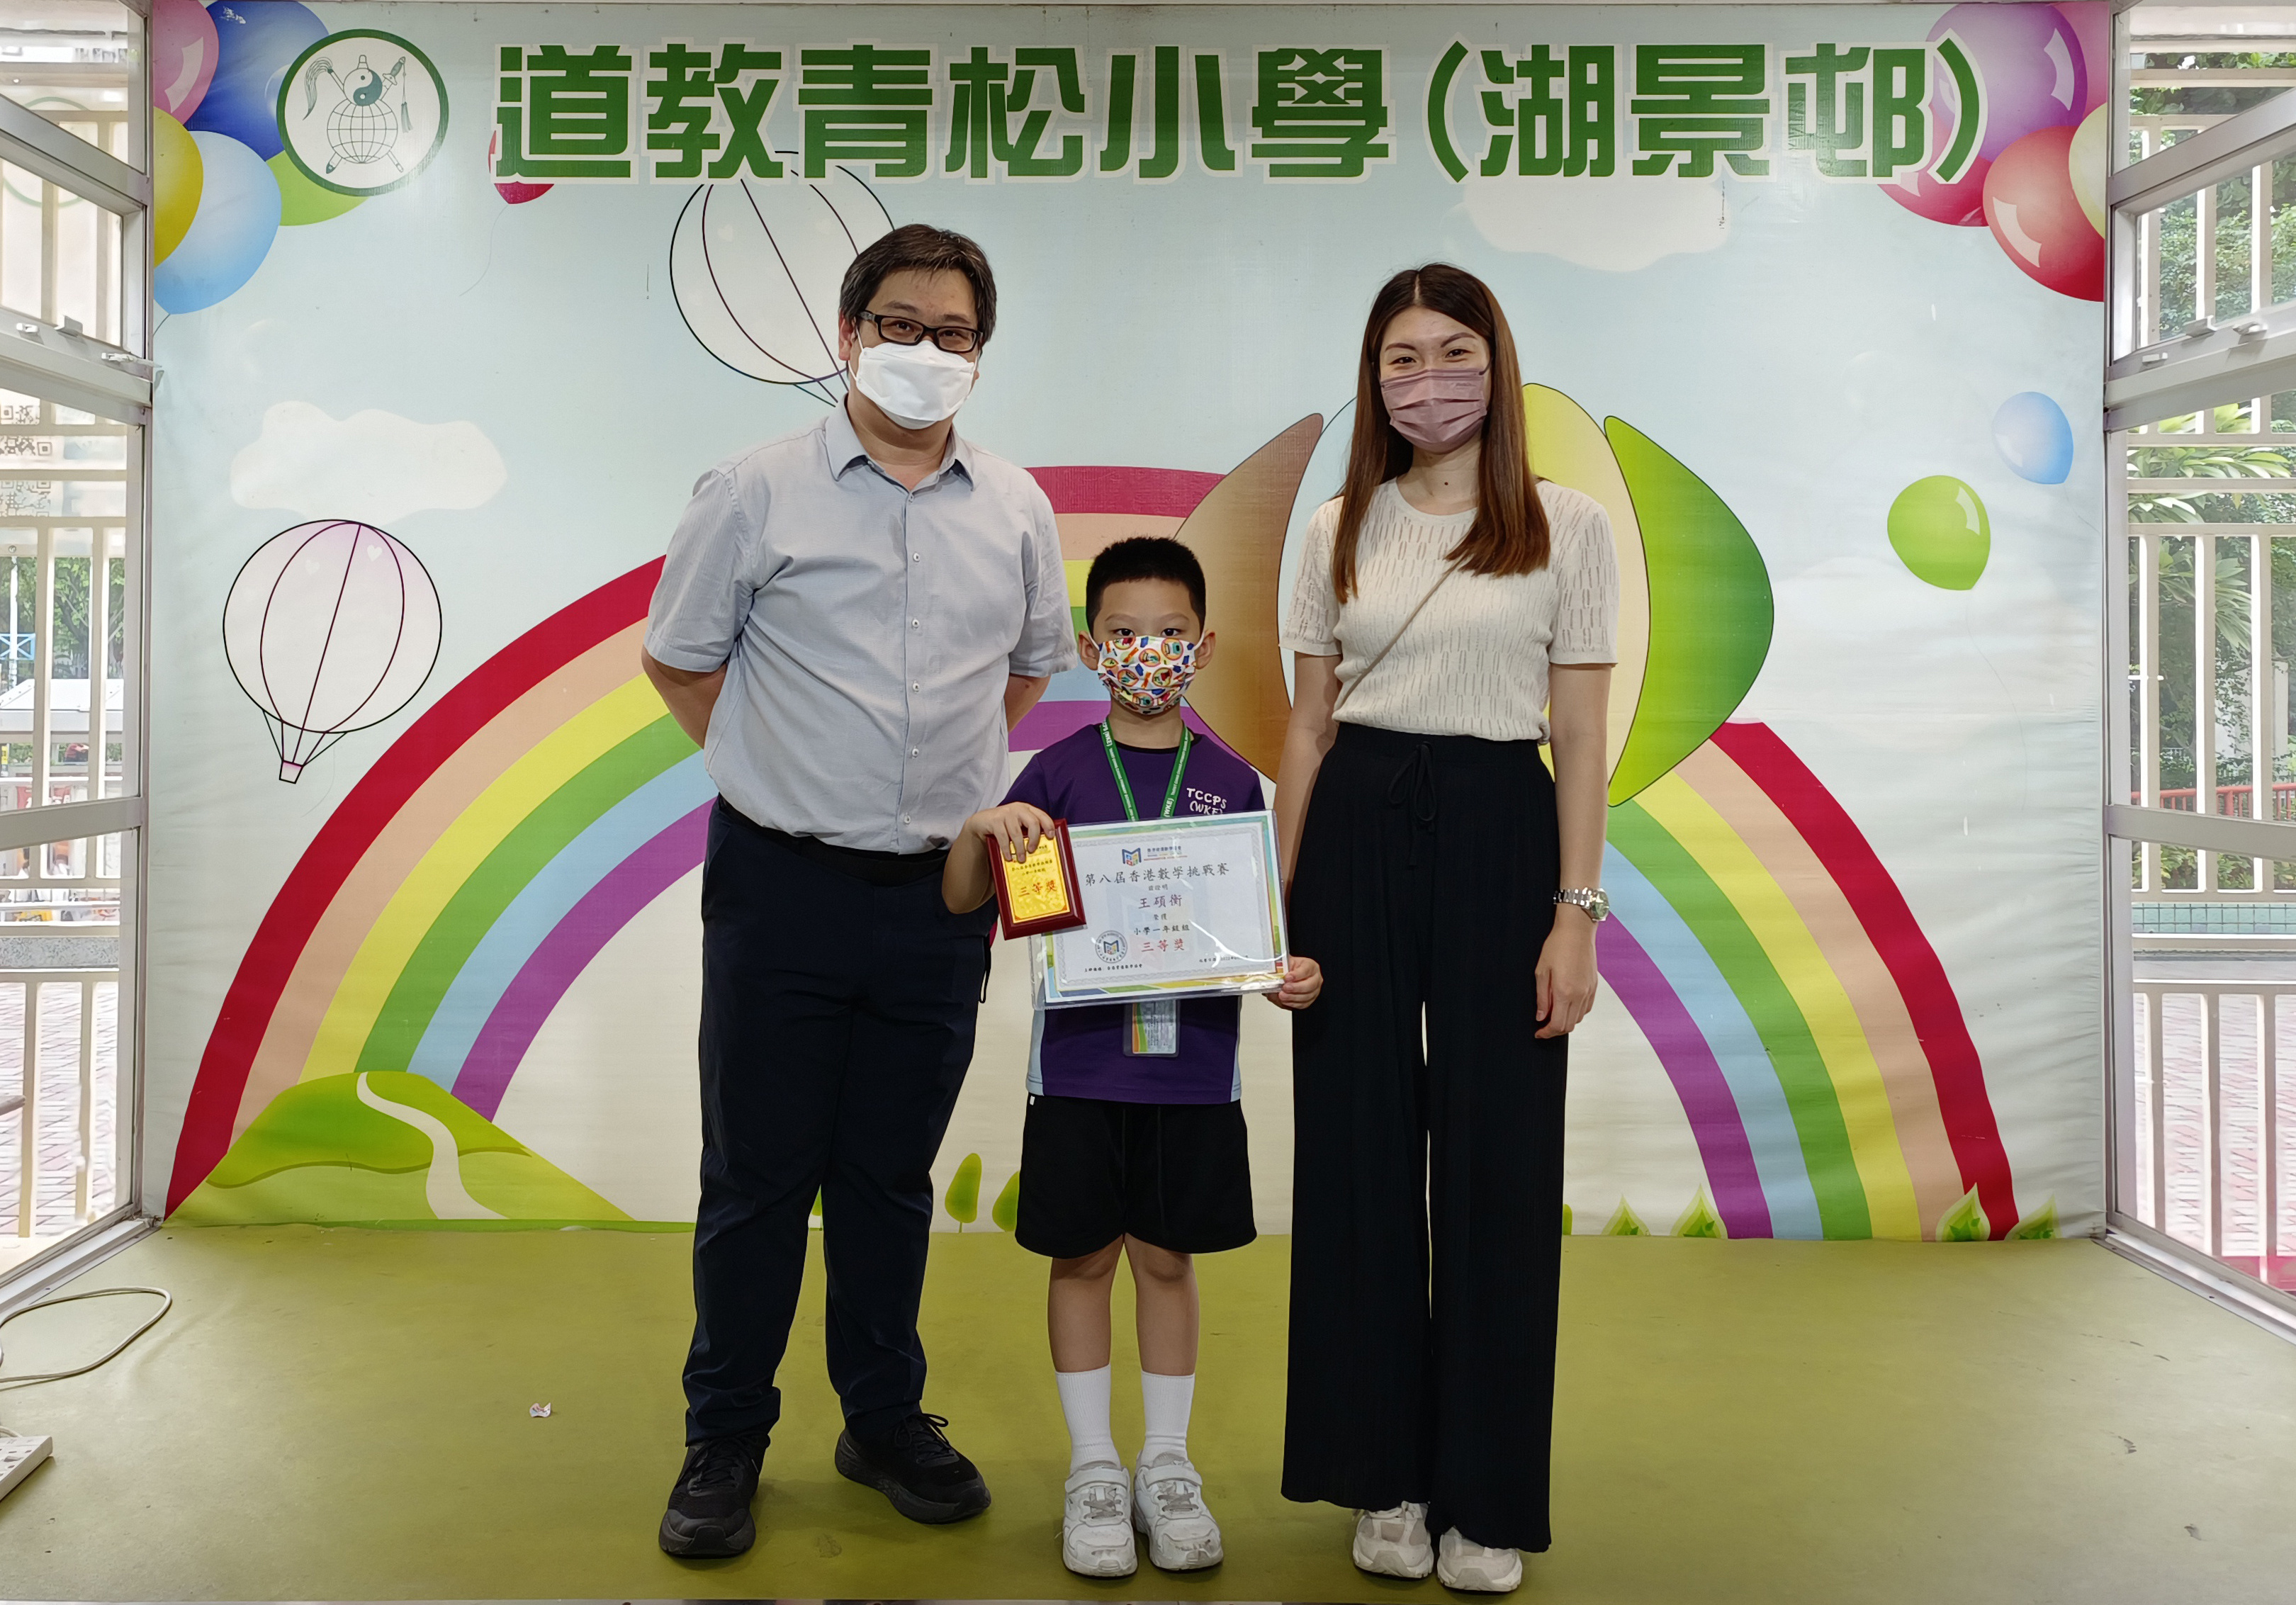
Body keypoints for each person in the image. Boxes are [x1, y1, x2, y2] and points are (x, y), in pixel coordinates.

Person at [641, 223, 1073, 1558]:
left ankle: (882, 1418)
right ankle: (725, 1435)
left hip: (943, 894)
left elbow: (1026, 672)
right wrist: (779, 770)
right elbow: (680, 660)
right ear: (847, 334)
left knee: (890, 1176)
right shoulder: (755, 490)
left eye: (953, 334)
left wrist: (930, 790)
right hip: (780, 884)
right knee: (757, 1177)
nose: (924, 351)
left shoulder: (1016, 507)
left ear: (980, 355)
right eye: (899, 325)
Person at [1273, 264, 1619, 1594]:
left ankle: (1486, 1495)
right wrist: (1277, 905)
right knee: (1356, 1152)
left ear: (1498, 362)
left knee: (1500, 1163)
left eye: (1455, 351)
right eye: (1402, 358)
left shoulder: (1564, 524)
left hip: (1500, 827)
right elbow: (1309, 726)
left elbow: (1578, 730)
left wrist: (1574, 914)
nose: (1429, 380)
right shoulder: (1334, 527)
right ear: (1375, 380)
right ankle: (1385, 1478)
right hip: (1355, 825)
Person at [942, 536, 1323, 1579]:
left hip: (1193, 1073)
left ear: (1203, 645)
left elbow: (1262, 932)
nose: (1146, 650)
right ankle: (1094, 1468)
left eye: (1167, 632)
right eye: (1123, 632)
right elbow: (969, 899)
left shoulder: (1233, 785)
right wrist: (984, 830)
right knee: (1082, 1258)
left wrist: (1288, 973)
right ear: (1088, 647)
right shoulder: (1055, 775)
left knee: (1166, 1258)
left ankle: (1166, 1462)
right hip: (1076, 1070)